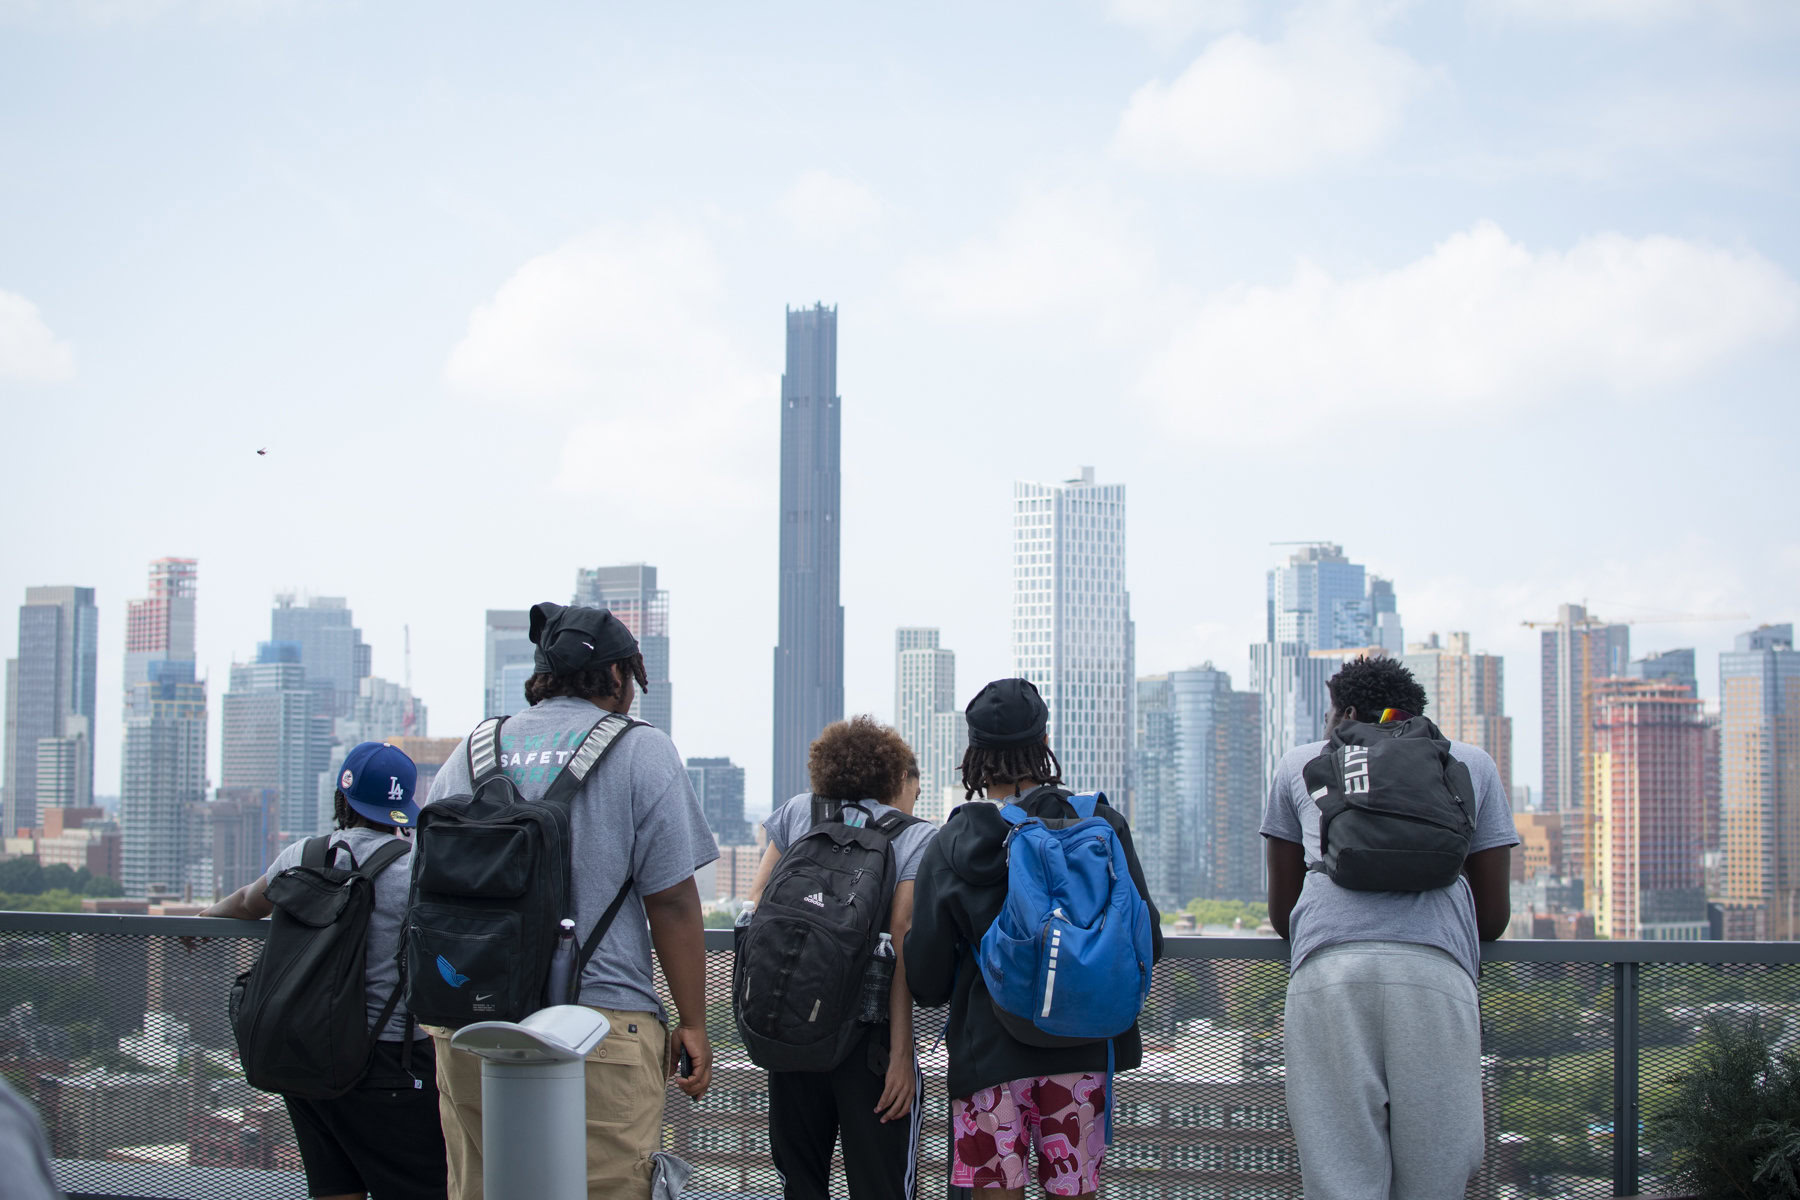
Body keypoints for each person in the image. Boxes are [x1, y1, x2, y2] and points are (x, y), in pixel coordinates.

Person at [422, 602, 716, 1200]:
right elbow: (674, 904)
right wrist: (694, 1023)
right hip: (597, 1030)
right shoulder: (641, 750)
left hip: (470, 1030)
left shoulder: (475, 749)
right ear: (614, 676)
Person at [1261, 655, 1519, 1200]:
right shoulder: (1469, 762)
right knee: (1436, 1174)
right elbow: (1493, 918)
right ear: (1416, 714)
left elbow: (1282, 912)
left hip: (1329, 973)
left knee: (1340, 1173)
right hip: (1434, 974)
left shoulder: (1301, 764)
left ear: (1346, 712)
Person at [906, 679, 1162, 1200]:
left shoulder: (954, 841)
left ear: (973, 756)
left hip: (988, 1058)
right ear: (1046, 744)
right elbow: (1148, 942)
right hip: (1084, 1050)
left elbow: (927, 982)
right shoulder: (1098, 822)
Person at [202, 742, 448, 1200]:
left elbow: (244, 904)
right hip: (389, 1059)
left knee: (335, 1189)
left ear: (343, 798)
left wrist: (202, 920)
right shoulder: (419, 868)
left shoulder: (302, 855)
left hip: (304, 1053)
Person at [745, 717, 936, 1200]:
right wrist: (900, 1056)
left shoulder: (796, 813)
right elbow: (901, 941)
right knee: (882, 1187)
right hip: (867, 1047)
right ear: (897, 778)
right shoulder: (915, 837)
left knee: (802, 1185)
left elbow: (755, 908)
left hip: (791, 1033)